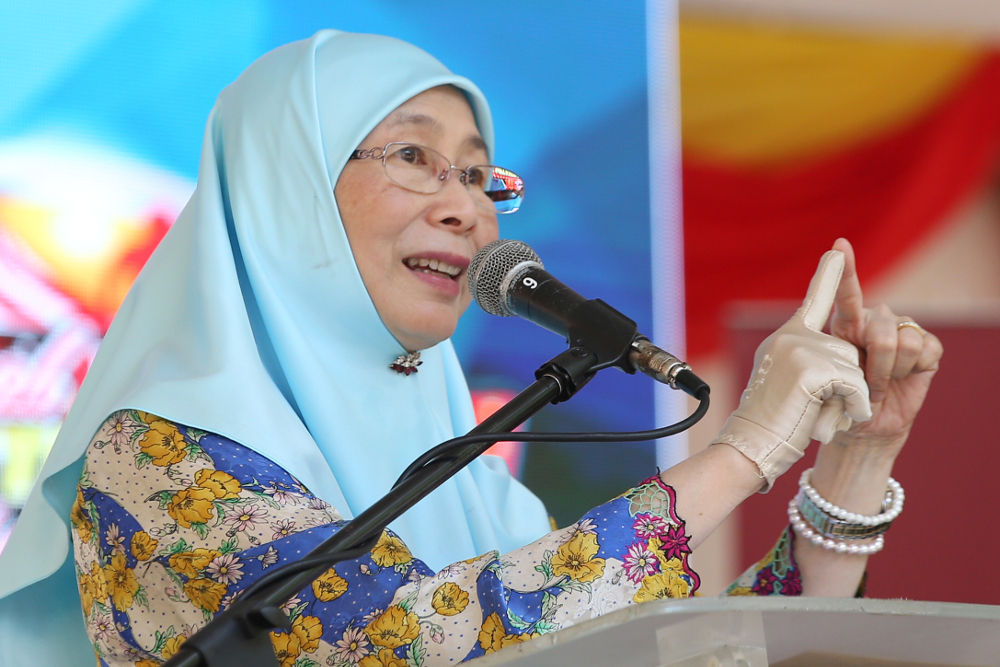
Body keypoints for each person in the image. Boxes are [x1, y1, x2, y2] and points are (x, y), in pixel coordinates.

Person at [0, 31, 942, 667]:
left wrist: (852, 469)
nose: (468, 206)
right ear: (286, 185)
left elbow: (685, 653)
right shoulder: (158, 449)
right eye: (414, 156)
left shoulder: (475, 483)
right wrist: (745, 451)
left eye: (480, 174)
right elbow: (396, 642)